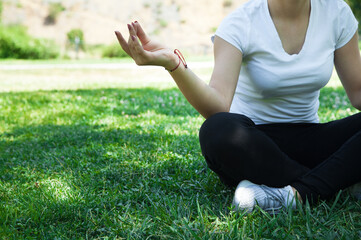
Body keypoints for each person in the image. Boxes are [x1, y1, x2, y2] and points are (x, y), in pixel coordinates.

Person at [115, 0, 361, 213]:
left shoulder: (336, 13)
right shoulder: (240, 23)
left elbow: (358, 94)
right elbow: (218, 106)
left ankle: (295, 195)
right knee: (216, 130)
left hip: (312, 140)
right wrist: (173, 64)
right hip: (254, 145)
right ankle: (338, 179)